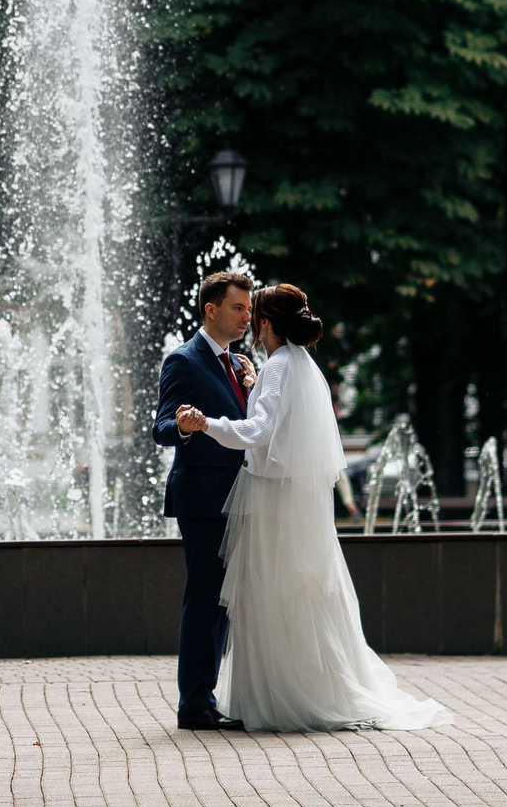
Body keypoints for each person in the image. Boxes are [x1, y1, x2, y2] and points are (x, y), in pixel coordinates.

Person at [174, 283, 448, 733]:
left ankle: (282, 697)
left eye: (251, 313)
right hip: (292, 500)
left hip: (270, 497)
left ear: (265, 322)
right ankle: (310, 685)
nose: (248, 322)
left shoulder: (279, 366)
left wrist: (207, 424)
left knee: (270, 595)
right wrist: (252, 384)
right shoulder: (298, 364)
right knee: (296, 592)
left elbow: (260, 430)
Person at [153, 269, 255, 731]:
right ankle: (194, 704)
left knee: (223, 601)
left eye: (250, 310)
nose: (246, 317)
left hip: (239, 496)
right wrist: (185, 427)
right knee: (205, 597)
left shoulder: (238, 364)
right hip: (202, 498)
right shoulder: (183, 360)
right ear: (211, 309)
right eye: (238, 308)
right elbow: (161, 427)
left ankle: (206, 698)